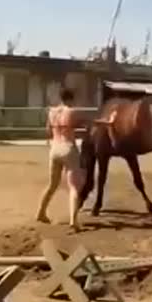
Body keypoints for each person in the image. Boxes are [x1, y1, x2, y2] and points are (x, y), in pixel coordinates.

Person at [35, 87, 114, 231]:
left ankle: (41, 212)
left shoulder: (52, 112)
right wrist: (109, 122)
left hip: (54, 149)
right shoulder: (72, 112)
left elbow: (48, 130)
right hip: (68, 148)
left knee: (52, 185)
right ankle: (73, 221)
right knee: (74, 187)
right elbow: (93, 122)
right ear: (71, 99)